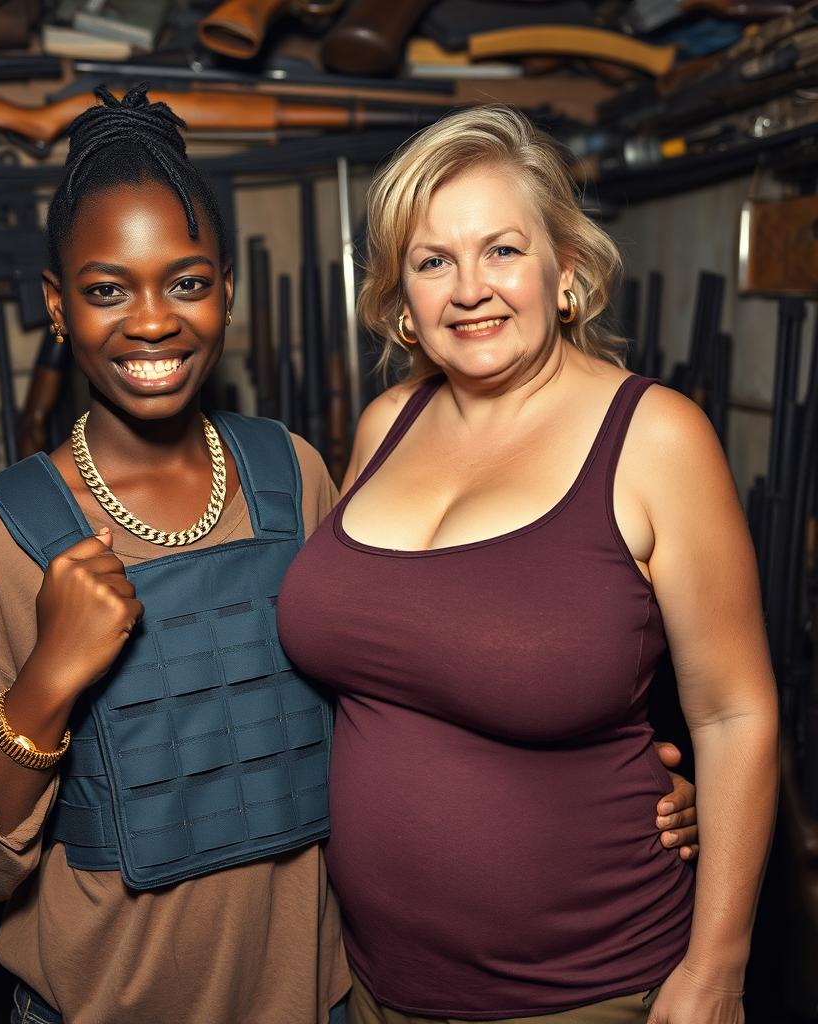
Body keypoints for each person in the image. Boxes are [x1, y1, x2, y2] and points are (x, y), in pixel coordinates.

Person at [0, 91, 699, 1024]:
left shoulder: (295, 475)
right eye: (108, 289)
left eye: (186, 282)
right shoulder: (1, 542)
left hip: (336, 1003)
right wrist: (39, 693)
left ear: (226, 290)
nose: (152, 321)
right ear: (57, 307)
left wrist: (615, 783)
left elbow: (416, 673)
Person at [277, 105, 778, 1024]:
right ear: (402, 300)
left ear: (567, 274)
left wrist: (717, 972)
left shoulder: (656, 437)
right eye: (434, 262)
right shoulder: (388, 425)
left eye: (502, 250)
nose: (470, 289)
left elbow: (735, 711)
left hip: (583, 989)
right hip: (371, 980)